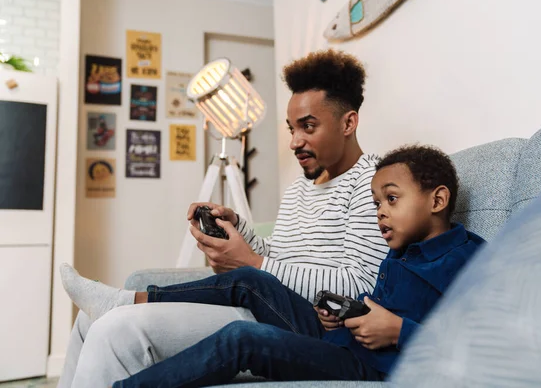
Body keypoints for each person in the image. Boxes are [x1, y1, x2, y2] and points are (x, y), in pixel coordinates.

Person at [58, 50, 389, 387]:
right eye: (291, 129)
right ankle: (118, 303)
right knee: (87, 321)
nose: (294, 142)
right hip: (267, 301)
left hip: (304, 323)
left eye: (308, 127)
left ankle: (122, 302)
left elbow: (362, 287)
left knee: (115, 327)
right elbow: (280, 254)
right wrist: (238, 229)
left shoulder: (375, 184)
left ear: (348, 123)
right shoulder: (298, 189)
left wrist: (255, 264)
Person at [61, 145, 486, 387]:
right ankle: (126, 299)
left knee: (242, 338)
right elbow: (374, 303)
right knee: (250, 279)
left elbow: (483, 342)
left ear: (438, 200)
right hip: (337, 339)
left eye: (390, 200)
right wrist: (346, 316)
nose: (379, 213)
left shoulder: (470, 259)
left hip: (370, 368)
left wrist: (397, 331)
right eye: (377, 203)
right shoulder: (399, 251)